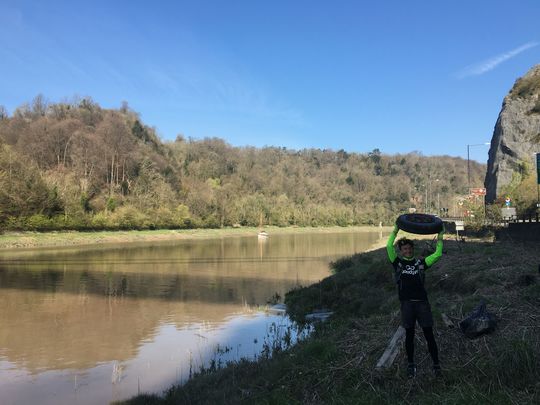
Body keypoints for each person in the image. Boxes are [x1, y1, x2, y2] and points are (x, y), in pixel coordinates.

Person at [386, 223, 444, 378]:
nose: (408, 250)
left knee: (428, 334)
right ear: (401, 251)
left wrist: (440, 235)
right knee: (409, 335)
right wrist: (395, 230)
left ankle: (436, 364)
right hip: (406, 305)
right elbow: (388, 247)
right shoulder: (397, 263)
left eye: (410, 248)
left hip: (422, 304)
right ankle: (411, 364)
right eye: (404, 249)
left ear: (413, 249)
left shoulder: (421, 263)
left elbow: (438, 254)